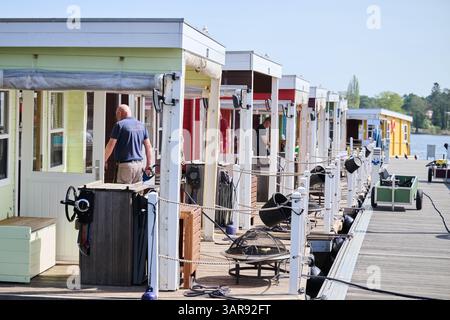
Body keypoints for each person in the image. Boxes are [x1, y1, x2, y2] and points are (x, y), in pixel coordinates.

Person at [104, 104, 153, 184]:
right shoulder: (141, 125)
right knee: (136, 194)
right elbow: (148, 147)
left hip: (125, 166)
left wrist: (104, 160)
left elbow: (110, 146)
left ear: (120, 113)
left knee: (122, 194)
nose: (116, 117)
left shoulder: (119, 125)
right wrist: (149, 165)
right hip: (139, 166)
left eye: (116, 114)